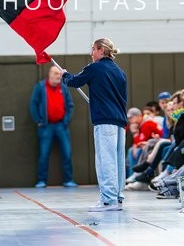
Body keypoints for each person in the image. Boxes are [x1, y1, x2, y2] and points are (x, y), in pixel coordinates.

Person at [60, 38, 128, 212]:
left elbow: (74, 81)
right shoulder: (120, 72)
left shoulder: (95, 68)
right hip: (119, 122)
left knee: (106, 160)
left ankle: (108, 200)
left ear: (101, 50)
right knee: (118, 161)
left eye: (93, 49)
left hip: (104, 121)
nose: (91, 53)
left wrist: (64, 75)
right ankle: (117, 197)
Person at [29, 65, 77, 188]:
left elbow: (70, 105)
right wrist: (38, 120)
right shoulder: (40, 87)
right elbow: (33, 104)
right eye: (56, 73)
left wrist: (66, 120)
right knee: (44, 154)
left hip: (61, 125)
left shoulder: (64, 88)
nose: (58, 76)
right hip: (46, 126)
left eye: (59, 74)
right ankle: (41, 180)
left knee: (67, 153)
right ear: (50, 74)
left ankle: (68, 180)